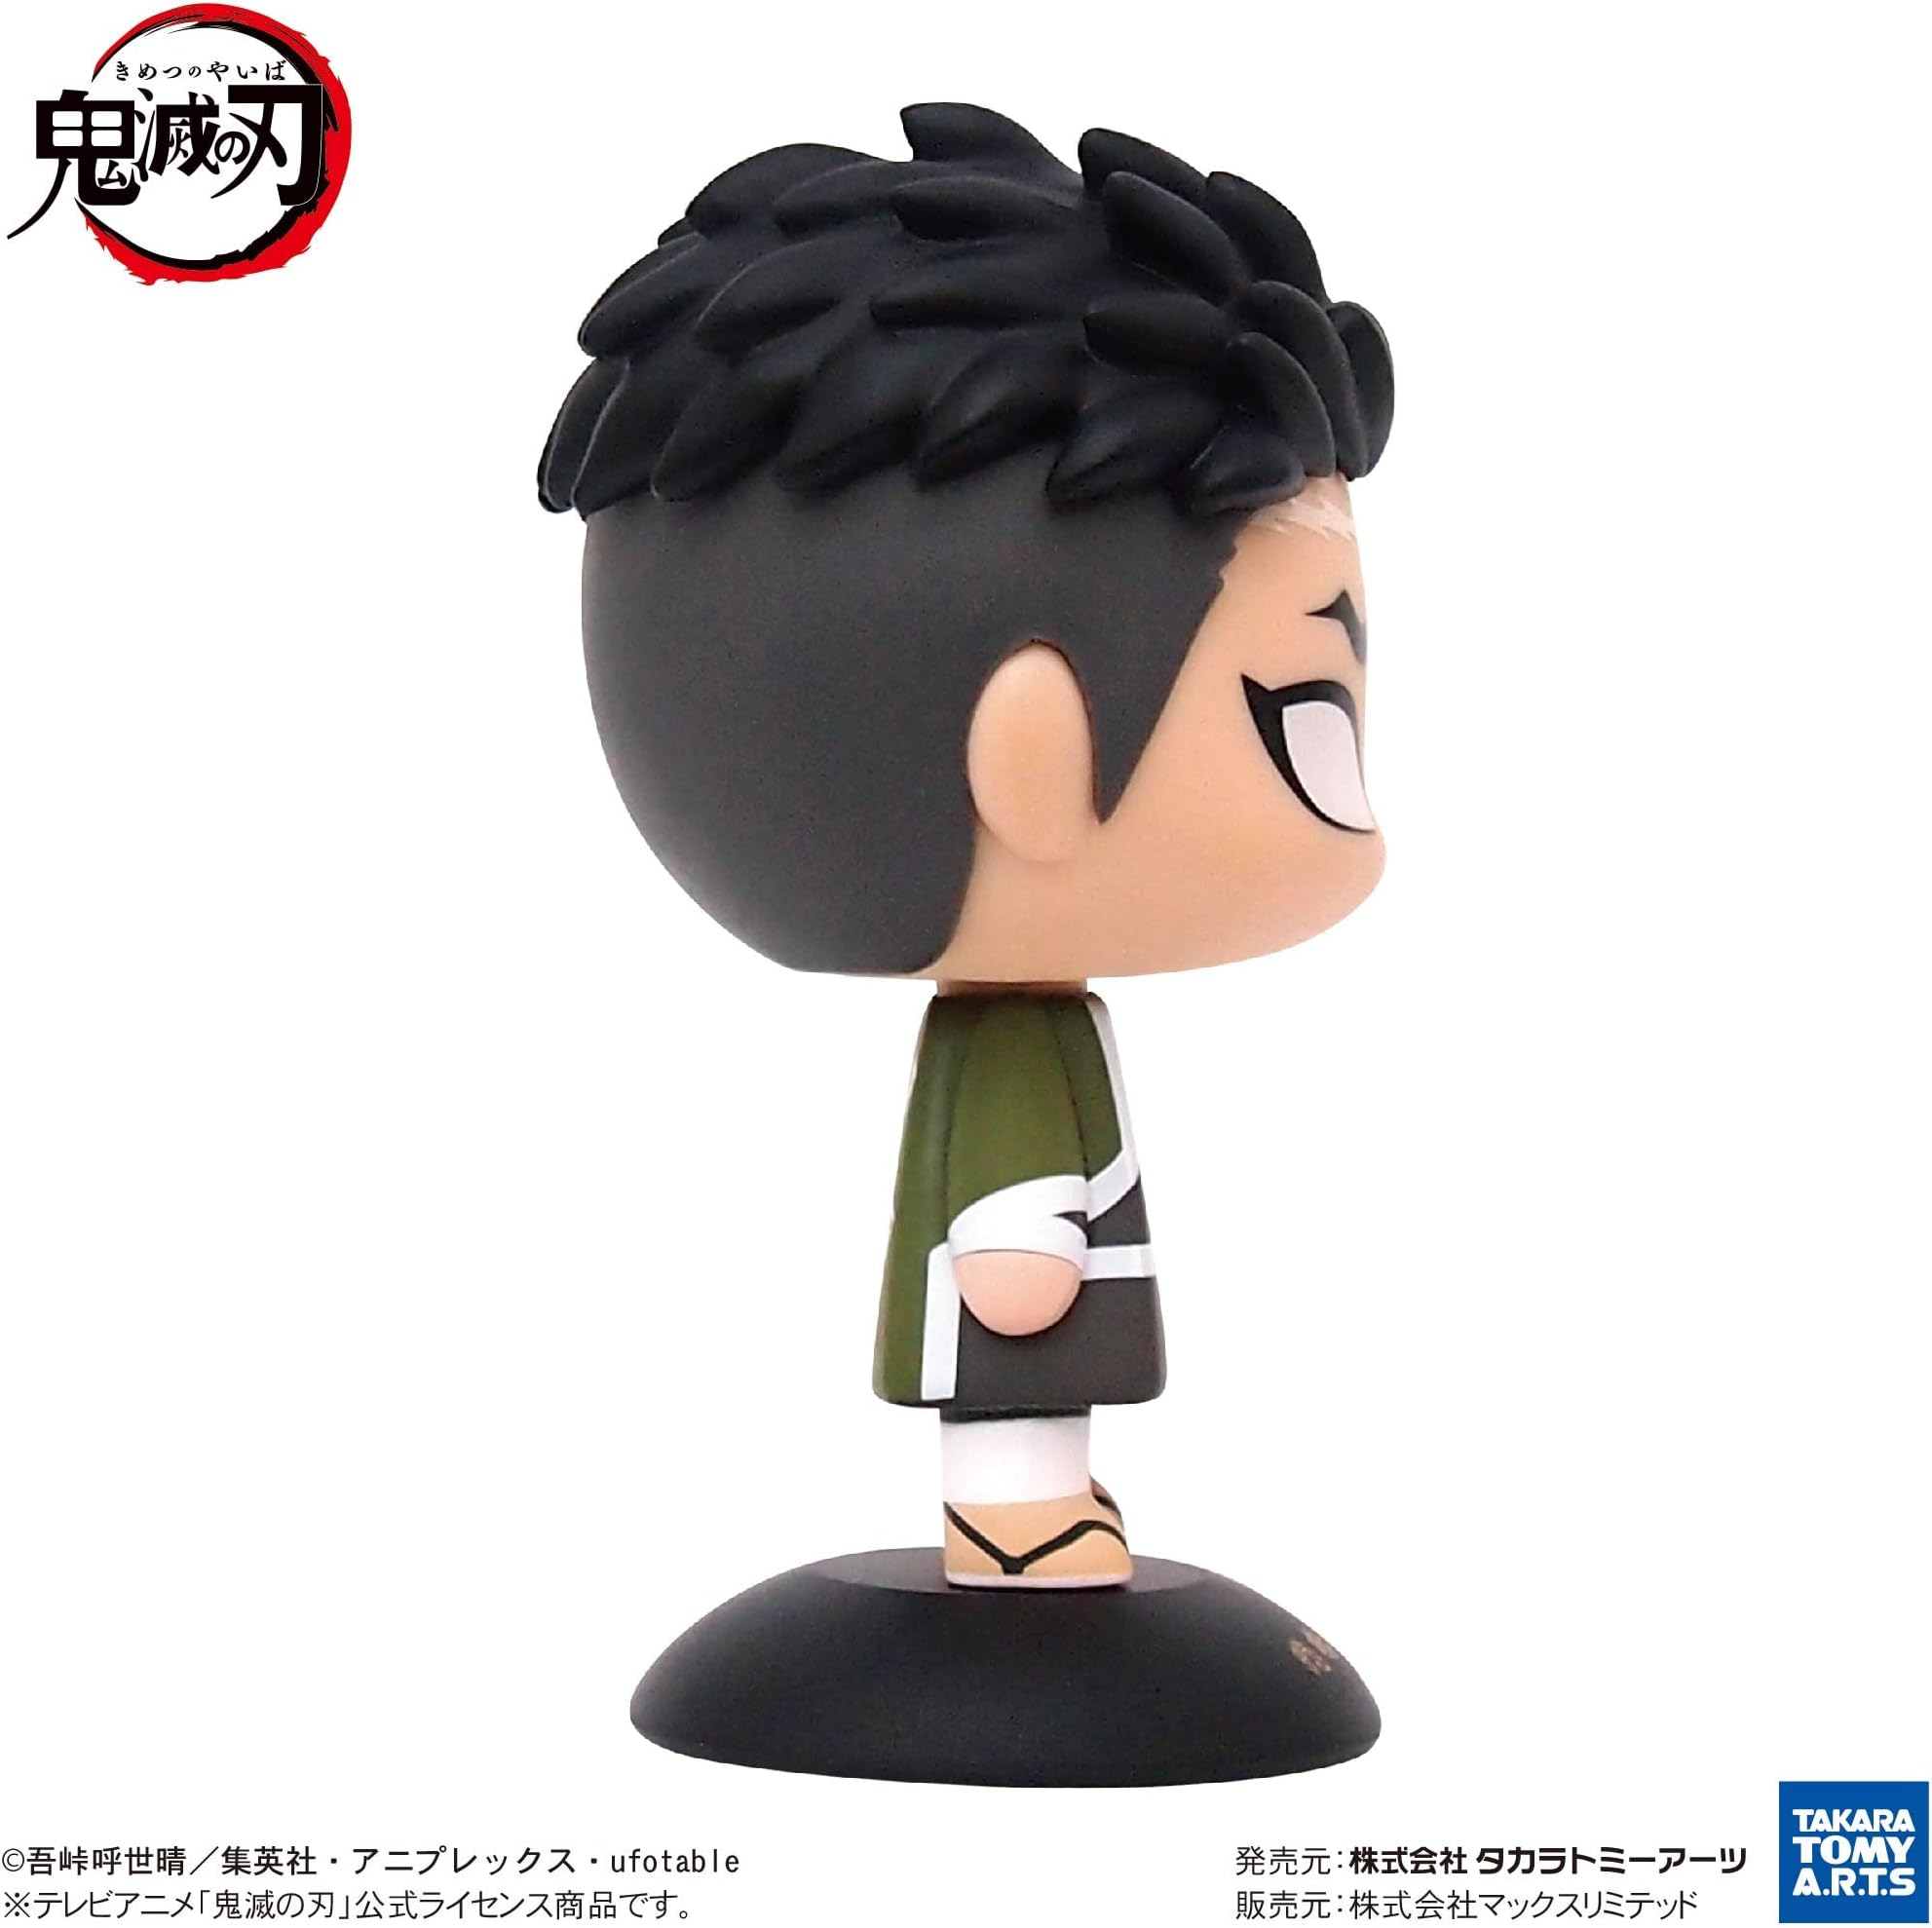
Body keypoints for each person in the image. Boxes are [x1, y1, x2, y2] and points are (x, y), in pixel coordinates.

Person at [541, 101, 1394, 1586]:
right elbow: (1004, 1242)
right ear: (1033, 758)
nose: (1356, 831)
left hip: (1039, 1281)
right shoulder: (1004, 1064)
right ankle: (1008, 1510)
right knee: (1017, 1384)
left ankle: (1027, 1499)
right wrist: (1018, 1249)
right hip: (1017, 1291)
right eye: (1306, 724)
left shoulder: (1029, 1031)